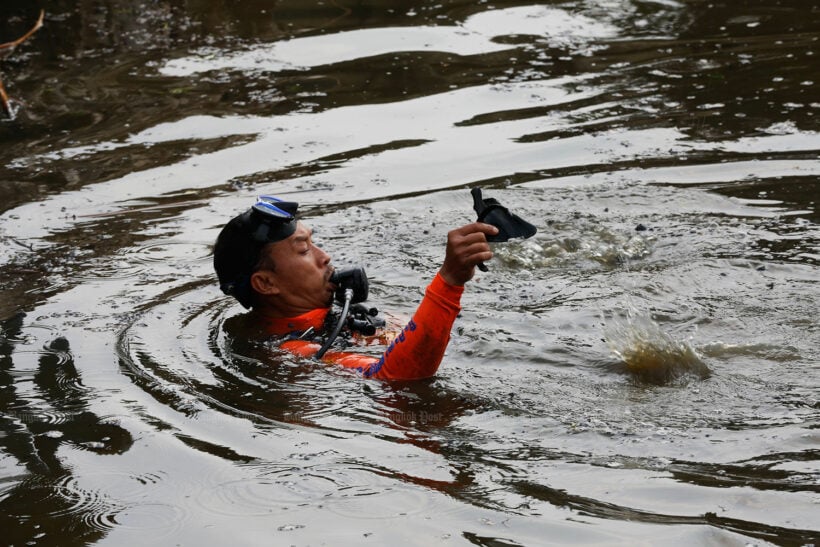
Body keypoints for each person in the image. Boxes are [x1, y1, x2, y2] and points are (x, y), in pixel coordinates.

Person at [213, 195, 498, 380]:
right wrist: (449, 280)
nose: (324, 256)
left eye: (314, 242)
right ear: (266, 283)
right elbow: (391, 376)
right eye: (303, 250)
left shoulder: (339, 314)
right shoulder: (291, 351)